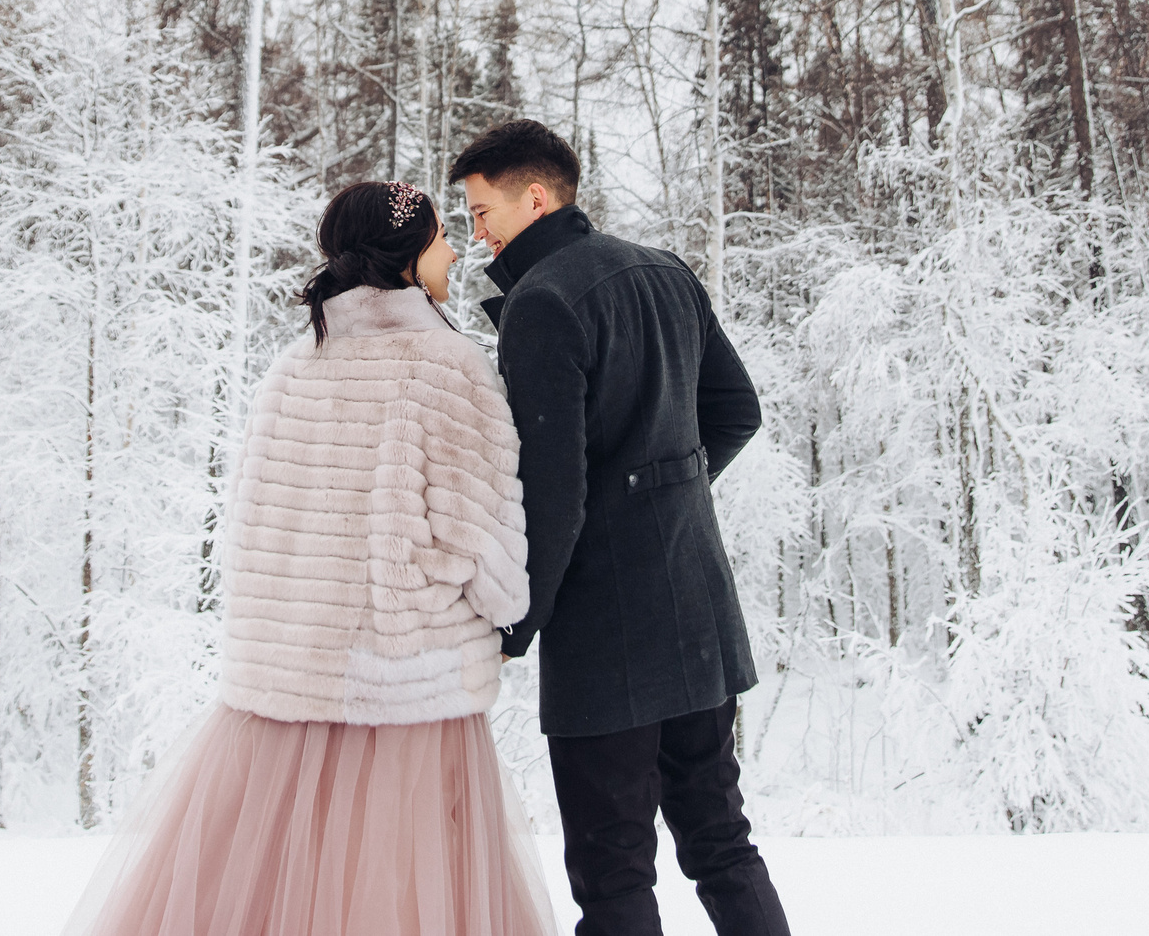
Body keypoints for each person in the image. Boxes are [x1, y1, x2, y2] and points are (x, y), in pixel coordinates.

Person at [63, 179, 557, 936]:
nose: (455, 249)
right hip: (403, 690)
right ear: (404, 259)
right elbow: (483, 542)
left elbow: (252, 528)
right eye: (438, 238)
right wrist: (512, 608)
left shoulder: (295, 366)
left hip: (284, 697)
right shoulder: (447, 365)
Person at [450, 120, 790, 936]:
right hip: (698, 607)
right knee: (721, 839)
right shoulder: (666, 270)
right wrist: (666, 498)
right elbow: (737, 411)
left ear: (536, 196)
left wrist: (515, 626)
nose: (476, 232)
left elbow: (556, 494)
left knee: (611, 873)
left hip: (608, 634)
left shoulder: (541, 303)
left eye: (482, 208)